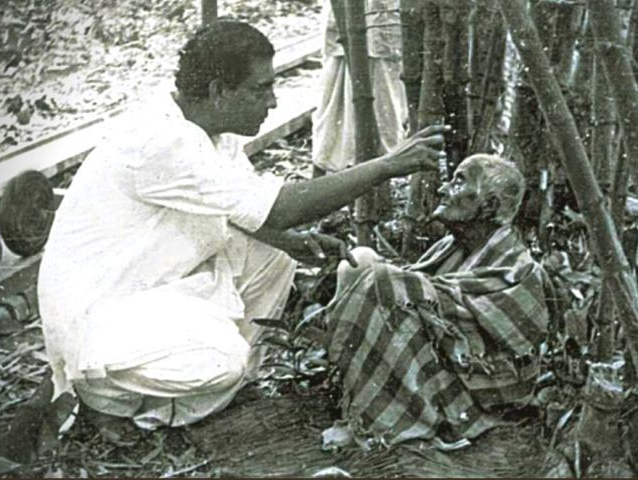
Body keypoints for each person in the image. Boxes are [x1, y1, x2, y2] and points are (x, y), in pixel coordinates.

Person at [35, 21, 447, 431]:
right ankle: (108, 400)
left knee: (276, 255)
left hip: (150, 287)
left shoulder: (209, 127)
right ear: (218, 91)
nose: (272, 101)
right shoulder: (162, 141)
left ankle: (216, 382)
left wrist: (291, 242)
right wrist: (385, 166)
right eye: (260, 89)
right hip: (99, 312)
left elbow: (248, 211)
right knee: (223, 362)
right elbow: (279, 209)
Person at [325, 154, 550, 448]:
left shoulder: (520, 267)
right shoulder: (451, 245)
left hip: (483, 384)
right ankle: (358, 399)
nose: (443, 189)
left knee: (385, 282)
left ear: (490, 206)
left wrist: (402, 286)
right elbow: (430, 292)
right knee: (360, 261)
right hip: (444, 359)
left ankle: (389, 420)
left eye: (459, 182)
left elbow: (505, 346)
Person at [311, 0, 408, 176]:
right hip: (345, 21)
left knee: (384, 95)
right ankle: (328, 166)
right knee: (335, 90)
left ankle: (379, 169)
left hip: (382, 22)